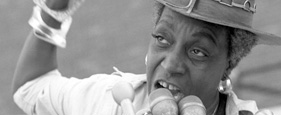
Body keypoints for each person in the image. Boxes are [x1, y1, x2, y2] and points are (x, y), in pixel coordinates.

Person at [12, 0, 281, 114]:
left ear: (229, 64)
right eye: (162, 39)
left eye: (197, 51)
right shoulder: (107, 102)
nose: (171, 64)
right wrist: (52, 14)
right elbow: (31, 87)